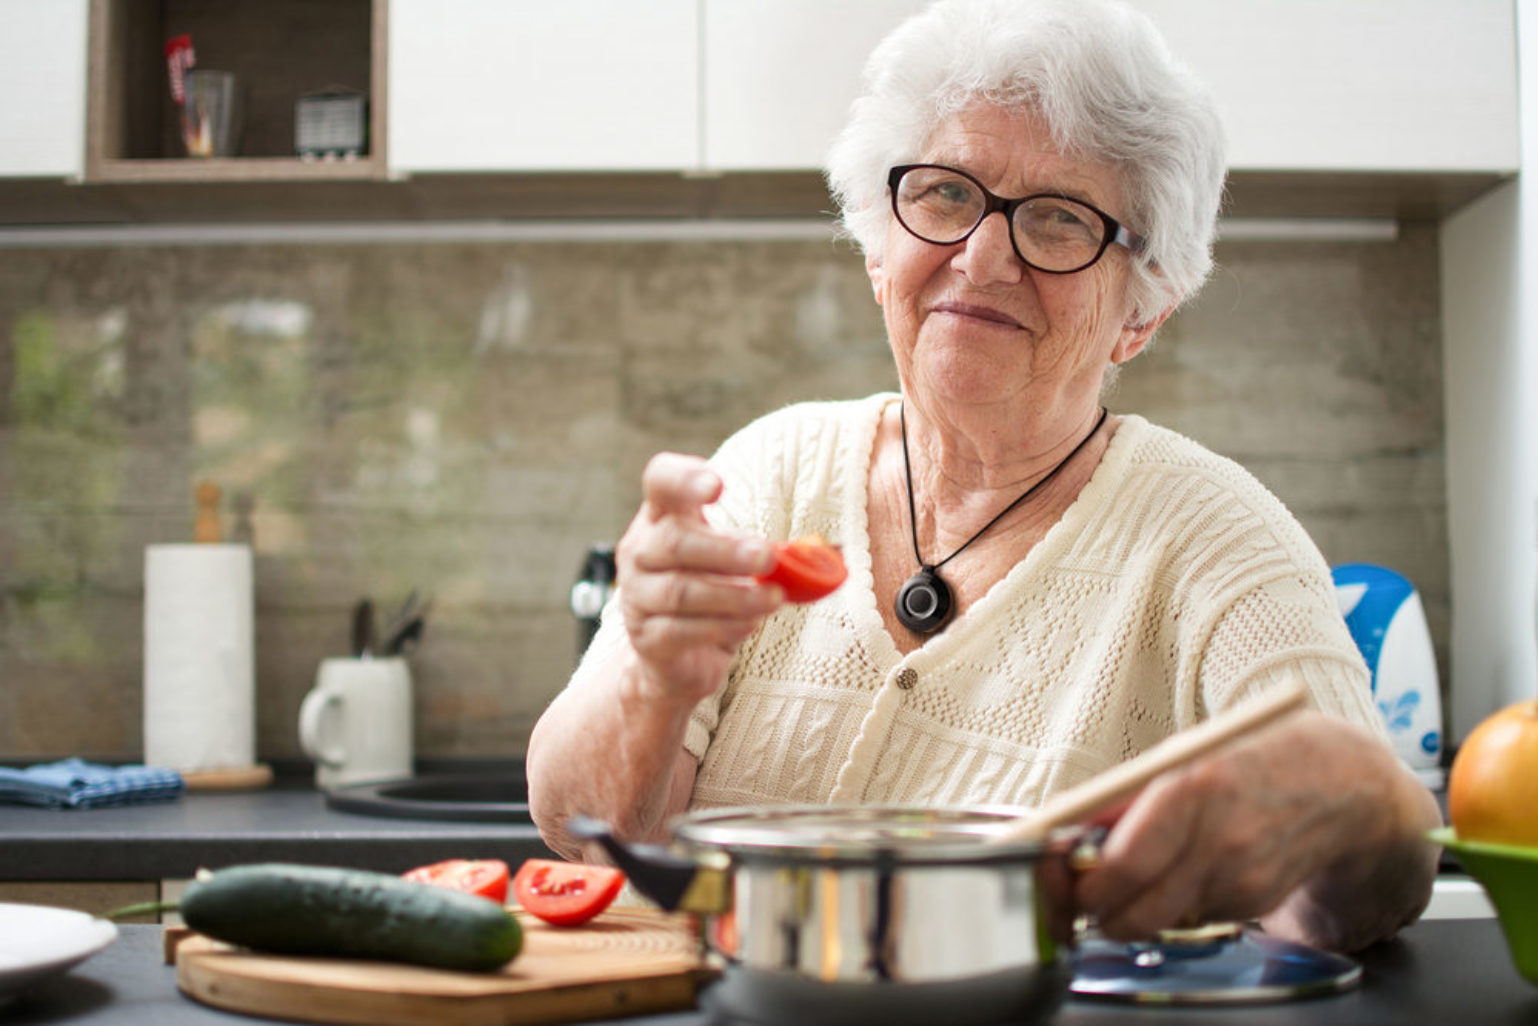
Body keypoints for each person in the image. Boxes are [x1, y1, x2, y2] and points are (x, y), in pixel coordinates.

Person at [526, 0, 1440, 953]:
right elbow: (592, 841)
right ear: (883, 249)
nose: (983, 255)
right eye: (947, 195)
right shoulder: (766, 471)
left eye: (1058, 220)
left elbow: (1379, 874)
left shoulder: (1216, 536)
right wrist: (650, 677)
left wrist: (1363, 802)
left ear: (1143, 310)